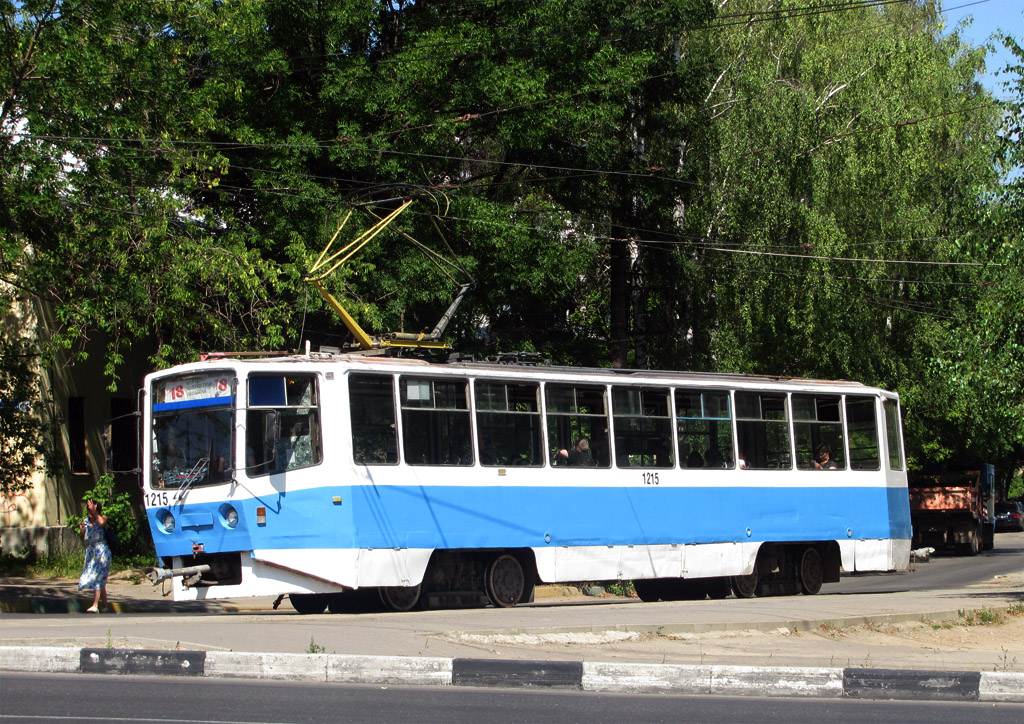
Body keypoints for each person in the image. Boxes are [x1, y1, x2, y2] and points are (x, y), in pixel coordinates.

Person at [77, 499, 112, 613]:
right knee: (99, 578)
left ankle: (95, 605)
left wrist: (95, 512)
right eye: (88, 509)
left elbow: (102, 523)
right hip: (91, 552)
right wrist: (82, 531)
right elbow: (83, 538)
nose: (89, 511)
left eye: (91, 508)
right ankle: (105, 606)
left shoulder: (102, 517)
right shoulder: (85, 521)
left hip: (102, 551)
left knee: (98, 577)